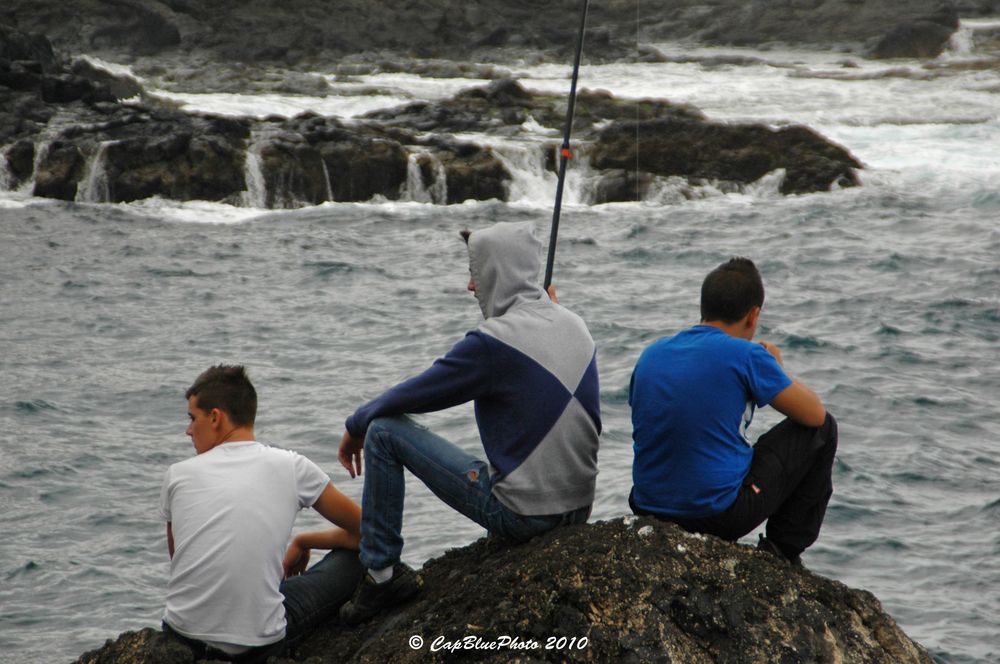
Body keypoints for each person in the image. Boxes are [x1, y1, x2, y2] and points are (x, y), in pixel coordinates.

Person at [336, 221, 601, 624]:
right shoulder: (574, 323)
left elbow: (414, 393)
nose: (470, 286)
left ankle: (381, 575)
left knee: (382, 432)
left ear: (497, 273)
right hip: (578, 508)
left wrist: (356, 424)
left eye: (476, 273)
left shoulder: (494, 342)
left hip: (525, 517)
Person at [628, 257, 837, 566]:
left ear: (704, 307)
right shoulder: (747, 354)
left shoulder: (652, 353)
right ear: (753, 315)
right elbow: (814, 416)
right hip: (718, 514)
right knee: (823, 430)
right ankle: (782, 551)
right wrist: (779, 370)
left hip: (647, 505)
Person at [159, 365, 363, 662]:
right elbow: (372, 531)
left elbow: (182, 563)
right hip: (256, 646)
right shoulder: (291, 466)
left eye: (193, 418)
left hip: (182, 636)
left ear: (215, 417)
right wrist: (306, 541)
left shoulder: (176, 475)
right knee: (360, 557)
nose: (188, 430)